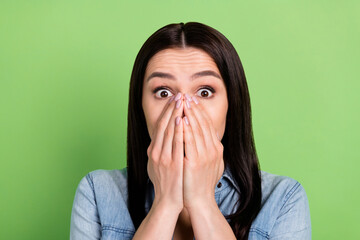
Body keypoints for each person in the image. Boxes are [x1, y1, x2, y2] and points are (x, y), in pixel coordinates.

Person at [70, 22, 311, 240]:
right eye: (163, 92)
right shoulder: (97, 192)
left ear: (231, 104)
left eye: (204, 92)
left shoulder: (283, 199)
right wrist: (165, 203)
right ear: (140, 105)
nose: (182, 110)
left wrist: (201, 201)